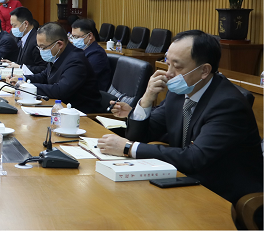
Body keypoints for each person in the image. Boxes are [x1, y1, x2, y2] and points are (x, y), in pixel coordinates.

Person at [97, 30, 263, 204]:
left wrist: (128, 148)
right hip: (185, 180)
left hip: (225, 195)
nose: (168, 74)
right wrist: (146, 99)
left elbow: (195, 158)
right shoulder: (179, 92)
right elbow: (140, 135)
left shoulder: (228, 104)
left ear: (204, 70)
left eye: (177, 67)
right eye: (167, 63)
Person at [9, 22, 102, 113]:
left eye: (43, 47)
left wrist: (27, 87)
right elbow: (44, 76)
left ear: (59, 44)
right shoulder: (58, 54)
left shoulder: (76, 60)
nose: (41, 51)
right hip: (61, 108)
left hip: (81, 114)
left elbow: (60, 90)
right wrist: (22, 79)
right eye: (39, 47)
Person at [71, 18, 112, 91]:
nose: (74, 40)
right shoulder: (80, 51)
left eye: (77, 37)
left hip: (92, 94)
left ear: (90, 36)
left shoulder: (97, 54)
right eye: (73, 37)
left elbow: (81, 77)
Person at [8, 7, 47, 75]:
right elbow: (23, 62)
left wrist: (20, 67)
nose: (12, 29)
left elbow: (43, 68)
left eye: (14, 25)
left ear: (25, 24)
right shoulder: (24, 38)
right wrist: (13, 63)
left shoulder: (36, 41)